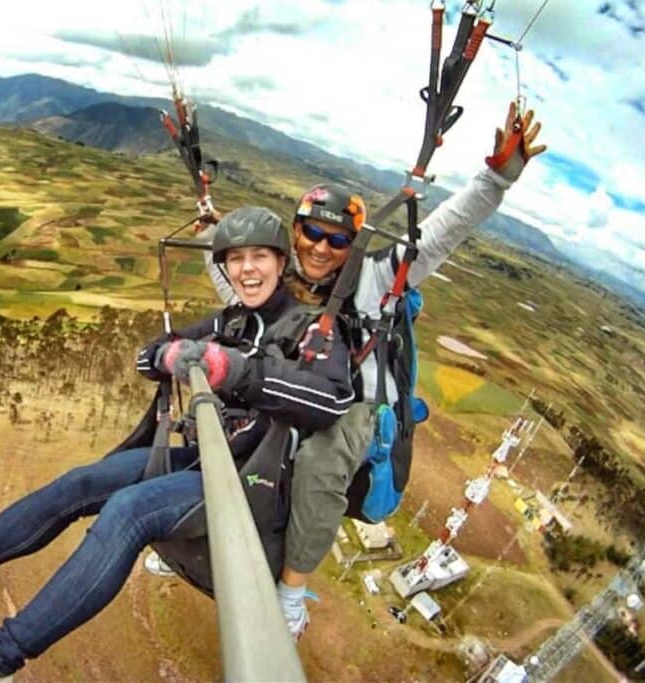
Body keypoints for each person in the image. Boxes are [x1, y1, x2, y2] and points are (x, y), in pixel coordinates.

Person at [0, 206, 354, 682]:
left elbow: (330, 399)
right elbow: (148, 355)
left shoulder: (313, 329)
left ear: (280, 262)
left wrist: (233, 369)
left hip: (252, 487)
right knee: (82, 482)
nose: (246, 270)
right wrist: (170, 353)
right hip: (209, 462)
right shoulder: (233, 322)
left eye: (258, 258)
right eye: (235, 259)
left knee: (129, 511)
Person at [185, 103, 547, 638]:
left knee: (320, 460)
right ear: (295, 231)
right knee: (217, 417)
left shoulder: (374, 282)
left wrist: (495, 180)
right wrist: (212, 241)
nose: (321, 247)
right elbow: (238, 293)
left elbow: (444, 231)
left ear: (353, 246)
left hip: (350, 406)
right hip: (298, 387)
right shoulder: (282, 279)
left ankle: (290, 597)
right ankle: (196, 527)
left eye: (337, 240)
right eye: (311, 233)